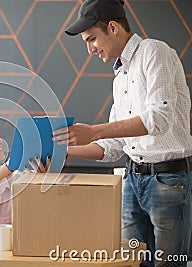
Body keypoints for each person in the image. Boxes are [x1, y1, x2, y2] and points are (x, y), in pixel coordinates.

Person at [53, 0, 192, 266]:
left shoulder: (155, 52)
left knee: (168, 263)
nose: (89, 48)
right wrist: (60, 150)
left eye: (91, 38)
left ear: (113, 27)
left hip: (169, 181)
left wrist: (93, 131)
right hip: (131, 181)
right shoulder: (120, 78)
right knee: (128, 262)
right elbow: (114, 146)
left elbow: (158, 119)